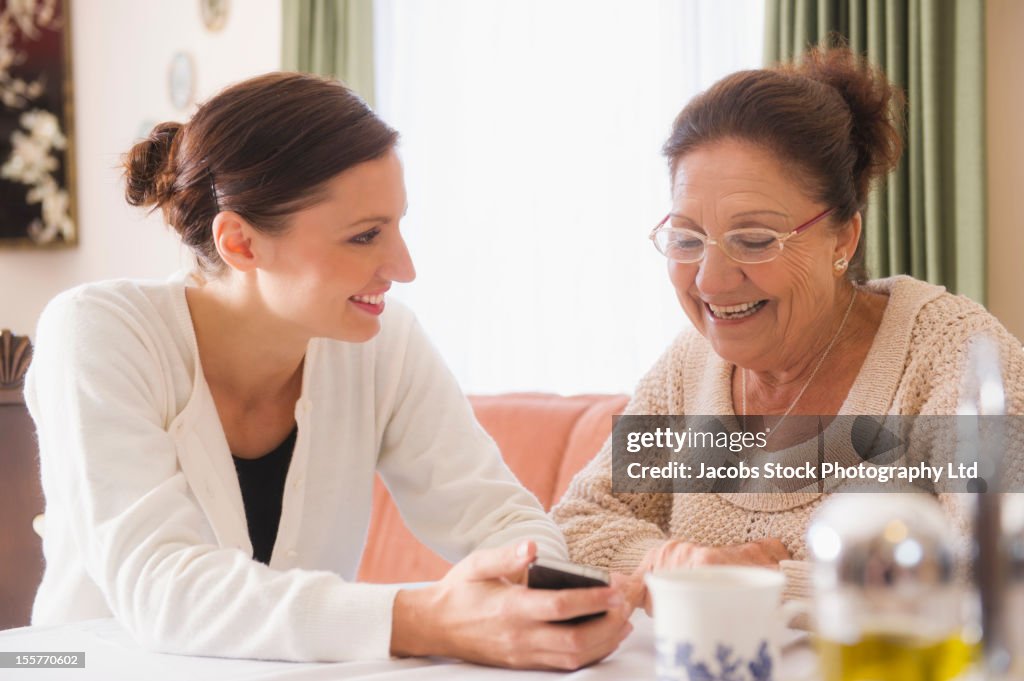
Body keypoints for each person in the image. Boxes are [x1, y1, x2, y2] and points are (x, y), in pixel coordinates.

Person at [25, 72, 632, 668]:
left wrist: (550, 601)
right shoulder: (98, 333)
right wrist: (430, 618)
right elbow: (165, 590)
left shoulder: (384, 342)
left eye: (398, 225)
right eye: (365, 236)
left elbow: (497, 516)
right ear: (240, 243)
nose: (404, 267)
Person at [552, 47, 1024, 608]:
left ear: (843, 239)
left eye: (754, 240)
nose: (711, 280)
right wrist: (680, 565)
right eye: (686, 238)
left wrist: (755, 588)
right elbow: (579, 524)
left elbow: (1003, 570)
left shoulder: (951, 354)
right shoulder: (691, 366)